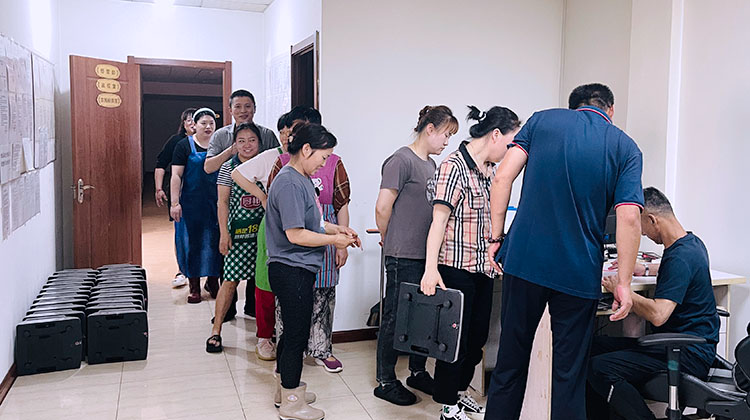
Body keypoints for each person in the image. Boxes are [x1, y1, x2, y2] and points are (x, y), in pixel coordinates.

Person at [485, 83, 644, 420]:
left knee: (510, 364)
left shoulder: (542, 121)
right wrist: (624, 284)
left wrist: (496, 238)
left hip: (524, 261)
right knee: (569, 376)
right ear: (610, 110)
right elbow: (629, 217)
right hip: (579, 273)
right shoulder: (625, 147)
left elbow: (501, 178)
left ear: (574, 107)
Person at [421, 105, 521, 420]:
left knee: (477, 339)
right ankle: (447, 404)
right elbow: (438, 222)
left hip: (482, 268)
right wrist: (430, 269)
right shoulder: (454, 167)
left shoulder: (490, 170)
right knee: (455, 342)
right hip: (454, 268)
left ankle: (460, 393)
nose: (511, 151)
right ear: (495, 135)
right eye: (511, 143)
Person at [586, 187, 720, 420]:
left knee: (598, 368)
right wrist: (645, 268)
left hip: (686, 354)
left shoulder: (679, 258)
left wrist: (623, 291)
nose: (643, 234)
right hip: (690, 345)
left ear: (652, 219)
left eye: (642, 228)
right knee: (589, 347)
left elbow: (659, 315)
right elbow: (676, 269)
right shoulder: (691, 244)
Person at [266, 122, 361, 420]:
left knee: (292, 334)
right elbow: (295, 234)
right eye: (323, 157)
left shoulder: (302, 179)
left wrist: (338, 229)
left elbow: (315, 223)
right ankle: (291, 403)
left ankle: (286, 389)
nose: (324, 163)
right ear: (306, 149)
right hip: (290, 269)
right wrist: (334, 241)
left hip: (296, 268)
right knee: (296, 337)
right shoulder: (290, 183)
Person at [373, 105, 458, 406]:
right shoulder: (401, 160)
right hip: (403, 253)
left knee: (424, 317)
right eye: (445, 134)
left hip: (426, 255)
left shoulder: (431, 165)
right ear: (429, 129)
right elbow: (382, 207)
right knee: (395, 317)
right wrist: (389, 238)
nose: (447, 141)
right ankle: (385, 380)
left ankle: (417, 372)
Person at [204, 89, 279, 320]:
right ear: (230, 110)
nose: (243, 110)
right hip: (231, 207)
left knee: (259, 261)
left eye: (248, 106)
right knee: (228, 262)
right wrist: (233, 149)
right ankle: (226, 312)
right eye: (238, 106)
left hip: (261, 212)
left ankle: (253, 308)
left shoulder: (267, 134)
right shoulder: (220, 136)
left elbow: (278, 162)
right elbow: (208, 167)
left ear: (255, 109)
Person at [206, 123, 267, 355]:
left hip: (263, 235)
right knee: (230, 281)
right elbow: (222, 203)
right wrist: (224, 233)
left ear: (259, 142)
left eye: (252, 140)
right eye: (241, 141)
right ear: (234, 144)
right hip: (237, 236)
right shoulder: (227, 167)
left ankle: (266, 334)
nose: (247, 145)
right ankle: (216, 330)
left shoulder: (267, 164)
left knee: (265, 284)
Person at [170, 108, 223, 304]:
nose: (208, 127)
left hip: (216, 202)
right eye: (203, 123)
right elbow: (176, 175)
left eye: (211, 123)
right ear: (194, 125)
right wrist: (174, 203)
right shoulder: (184, 145)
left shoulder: (220, 145)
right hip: (192, 204)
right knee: (193, 243)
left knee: (216, 242)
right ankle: (194, 286)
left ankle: (213, 281)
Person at [155, 107, 195, 288]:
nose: (193, 124)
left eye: (196, 120)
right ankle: (182, 270)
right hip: (179, 195)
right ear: (183, 124)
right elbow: (161, 164)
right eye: (189, 120)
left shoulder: (210, 141)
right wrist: (158, 189)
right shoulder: (176, 142)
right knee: (182, 234)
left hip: (202, 195)